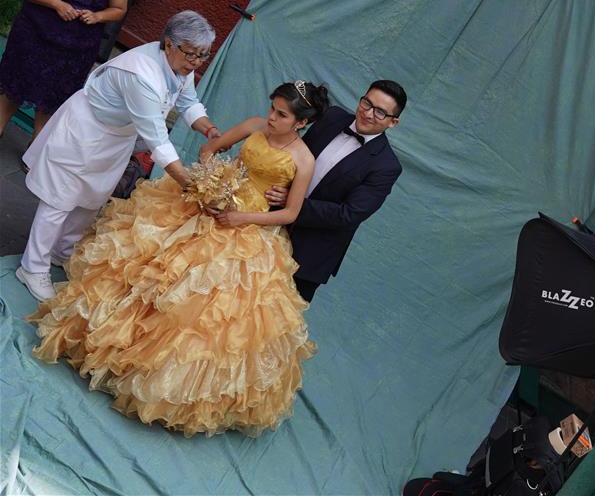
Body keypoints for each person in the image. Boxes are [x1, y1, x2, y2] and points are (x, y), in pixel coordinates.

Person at [28, 81, 328, 437]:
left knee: (205, 311)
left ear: (300, 123)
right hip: (209, 205)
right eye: (272, 108)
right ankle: (105, 341)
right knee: (149, 270)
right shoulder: (253, 126)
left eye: (281, 115)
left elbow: (290, 213)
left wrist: (241, 217)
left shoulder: (304, 160)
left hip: (247, 227)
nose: (271, 118)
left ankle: (156, 383)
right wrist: (213, 180)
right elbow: (211, 149)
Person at [16, 10, 220, 302]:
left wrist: (210, 130)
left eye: (203, 56)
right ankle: (32, 268)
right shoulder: (141, 75)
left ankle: (63, 252)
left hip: (115, 138)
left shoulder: (180, 66)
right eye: (192, 55)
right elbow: (156, 136)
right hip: (86, 130)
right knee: (58, 201)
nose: (196, 63)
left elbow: (189, 103)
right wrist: (186, 180)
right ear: (169, 44)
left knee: (90, 201)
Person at [266, 79, 407, 302]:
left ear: (393, 122)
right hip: (266, 225)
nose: (368, 113)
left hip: (308, 256)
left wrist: (291, 203)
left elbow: (347, 214)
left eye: (380, 112)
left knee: (270, 325)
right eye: (367, 103)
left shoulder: (386, 166)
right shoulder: (332, 116)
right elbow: (292, 155)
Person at [0, 0, 128, 139]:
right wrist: (57, 4)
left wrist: (99, 16)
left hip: (77, 48)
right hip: (35, 34)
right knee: (15, 85)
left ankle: (36, 149)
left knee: (54, 98)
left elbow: (119, 9)